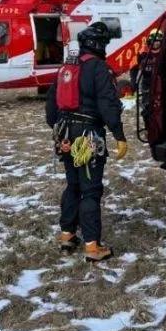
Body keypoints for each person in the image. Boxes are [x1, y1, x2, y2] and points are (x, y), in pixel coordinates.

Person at [45, 23, 129, 263]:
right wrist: (119, 135)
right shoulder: (98, 68)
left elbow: (52, 105)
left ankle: (67, 235)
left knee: (73, 185)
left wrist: (60, 131)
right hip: (88, 136)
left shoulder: (67, 68)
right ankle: (93, 246)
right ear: (99, 45)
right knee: (90, 190)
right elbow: (108, 105)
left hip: (65, 135)